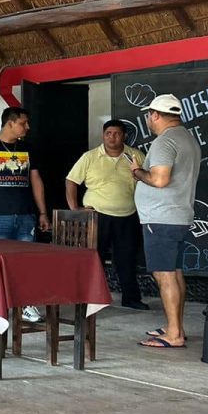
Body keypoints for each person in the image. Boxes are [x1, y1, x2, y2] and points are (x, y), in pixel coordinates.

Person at [129, 94, 200, 349]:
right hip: (177, 216)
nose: (148, 119)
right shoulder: (187, 138)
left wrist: (137, 172)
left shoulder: (165, 141)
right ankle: (175, 327)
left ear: (155, 115)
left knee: (164, 275)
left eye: (149, 115)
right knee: (175, 272)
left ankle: (174, 335)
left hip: (161, 218)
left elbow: (159, 179)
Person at [0, 106, 50, 323]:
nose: (27, 127)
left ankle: (26, 304)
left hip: (26, 214)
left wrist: (42, 212)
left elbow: (36, 181)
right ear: (10, 123)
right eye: (23, 123)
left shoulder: (28, 149)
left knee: (26, 262)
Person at [65, 120, 147, 310]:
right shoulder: (90, 156)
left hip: (128, 214)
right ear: (103, 135)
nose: (112, 137)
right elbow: (71, 180)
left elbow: (148, 180)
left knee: (127, 258)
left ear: (124, 136)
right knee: (95, 259)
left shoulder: (135, 156)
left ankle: (131, 298)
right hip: (97, 215)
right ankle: (91, 299)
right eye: (108, 133)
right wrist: (75, 208)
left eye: (117, 133)